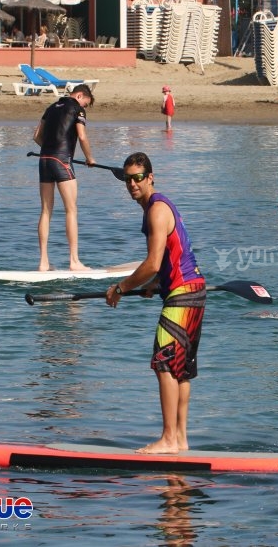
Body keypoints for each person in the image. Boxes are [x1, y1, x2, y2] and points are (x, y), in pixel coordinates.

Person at [105, 152, 206, 455]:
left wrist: (121, 287)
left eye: (138, 177)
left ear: (151, 177)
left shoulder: (156, 211)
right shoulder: (159, 207)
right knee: (182, 370)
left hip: (183, 297)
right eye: (128, 179)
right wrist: (155, 285)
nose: (132, 184)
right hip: (194, 292)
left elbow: (152, 263)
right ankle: (181, 440)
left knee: (164, 364)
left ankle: (168, 438)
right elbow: (167, 263)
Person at [32, 84, 96, 272]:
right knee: (71, 210)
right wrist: (89, 158)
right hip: (62, 161)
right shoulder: (77, 109)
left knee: (45, 211)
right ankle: (74, 261)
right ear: (79, 95)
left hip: (44, 159)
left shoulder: (51, 108)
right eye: (86, 102)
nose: (85, 106)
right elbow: (82, 137)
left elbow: (36, 137)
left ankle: (43, 262)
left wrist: (51, 151)